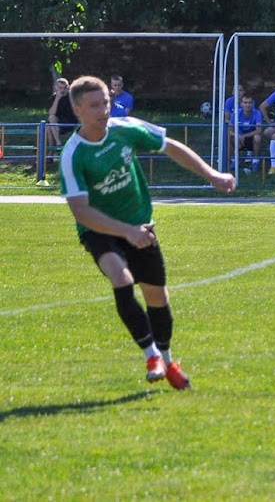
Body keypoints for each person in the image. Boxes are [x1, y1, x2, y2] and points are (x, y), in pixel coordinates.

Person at [59, 75, 236, 389]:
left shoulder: (126, 128)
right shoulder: (73, 154)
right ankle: (151, 353)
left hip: (140, 224)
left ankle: (168, 362)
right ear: (76, 110)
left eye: (106, 103)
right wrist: (126, 231)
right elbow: (81, 211)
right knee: (121, 277)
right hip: (100, 229)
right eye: (94, 105)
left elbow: (171, 147)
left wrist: (212, 175)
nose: (103, 110)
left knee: (157, 296)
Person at [229, 95, 263, 173]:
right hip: (238, 138)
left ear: (253, 103)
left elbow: (259, 130)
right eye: (245, 103)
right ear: (241, 104)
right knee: (228, 137)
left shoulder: (257, 113)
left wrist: (244, 136)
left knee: (257, 137)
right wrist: (236, 135)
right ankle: (234, 160)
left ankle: (255, 162)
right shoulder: (236, 113)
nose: (248, 105)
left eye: (250, 103)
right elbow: (229, 130)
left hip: (251, 138)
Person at [47, 77, 77, 149]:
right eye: (60, 88)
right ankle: (58, 143)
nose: (62, 90)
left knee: (49, 128)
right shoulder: (54, 97)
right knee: (50, 121)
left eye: (64, 88)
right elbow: (51, 113)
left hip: (69, 123)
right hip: (56, 123)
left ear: (68, 87)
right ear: (56, 88)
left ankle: (50, 155)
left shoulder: (72, 97)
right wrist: (57, 99)